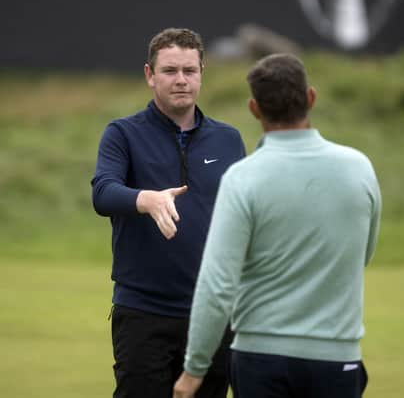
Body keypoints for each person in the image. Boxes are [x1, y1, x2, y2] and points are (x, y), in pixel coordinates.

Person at [173, 53, 381, 398]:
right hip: (338, 357)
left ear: (255, 109)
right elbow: (362, 256)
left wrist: (194, 369)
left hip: (260, 359)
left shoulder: (242, 178)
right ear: (310, 98)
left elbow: (218, 285)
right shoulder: (359, 168)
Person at [91, 27, 246, 398]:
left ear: (201, 73)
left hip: (213, 314)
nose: (181, 80)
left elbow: (244, 217)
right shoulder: (122, 134)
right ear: (150, 75)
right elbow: (103, 192)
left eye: (189, 71)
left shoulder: (228, 139)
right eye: (170, 71)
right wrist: (147, 199)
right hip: (144, 312)